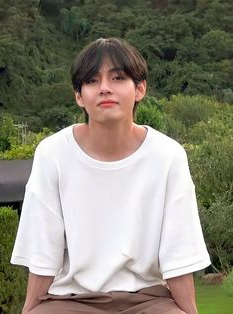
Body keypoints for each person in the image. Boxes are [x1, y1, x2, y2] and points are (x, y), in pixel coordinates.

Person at [11, 38, 211, 314]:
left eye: (118, 77)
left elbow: (179, 254)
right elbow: (43, 251)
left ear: (140, 88)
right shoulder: (53, 154)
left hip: (148, 300)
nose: (104, 88)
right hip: (70, 301)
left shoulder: (168, 156)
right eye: (92, 81)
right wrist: (30, 308)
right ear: (79, 96)